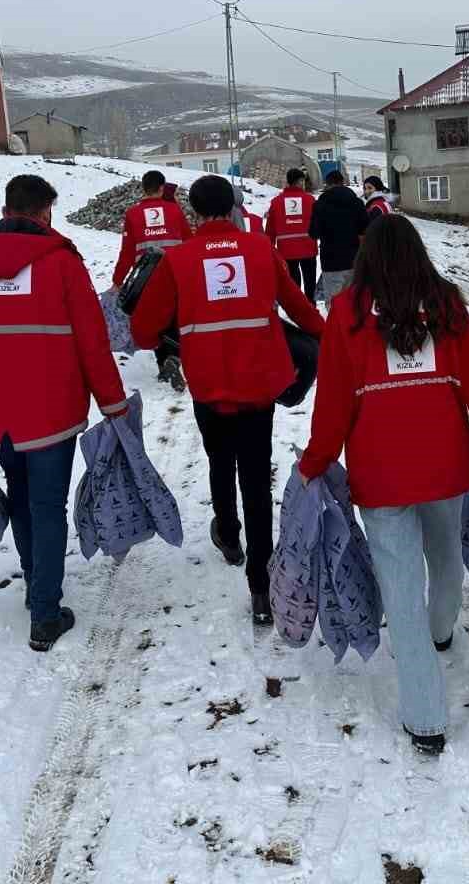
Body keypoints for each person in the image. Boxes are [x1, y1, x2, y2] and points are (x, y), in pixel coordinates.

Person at [298, 214, 469, 755]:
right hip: (445, 465)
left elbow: (332, 407)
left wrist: (315, 463)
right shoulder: (447, 305)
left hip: (381, 475)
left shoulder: (347, 314)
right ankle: (442, 628)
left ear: (365, 257)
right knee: (446, 552)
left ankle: (425, 716)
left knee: (399, 588)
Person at [0, 174, 129, 653]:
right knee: (47, 504)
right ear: (45, 212)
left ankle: (38, 583)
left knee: (21, 497)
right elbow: (93, 342)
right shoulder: (61, 261)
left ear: (5, 209)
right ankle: (45, 611)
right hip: (52, 408)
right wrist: (113, 403)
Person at [130, 174, 325, 625]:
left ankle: (228, 535)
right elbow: (300, 309)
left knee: (219, 460)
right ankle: (261, 587)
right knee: (257, 480)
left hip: (210, 386)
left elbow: (142, 332)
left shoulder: (178, 261)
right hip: (258, 385)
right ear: (234, 207)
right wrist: (335, 342)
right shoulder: (260, 250)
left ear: (194, 211)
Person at [113, 170, 192, 389]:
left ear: (143, 188)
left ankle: (163, 362)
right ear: (161, 188)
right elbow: (188, 242)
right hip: (174, 275)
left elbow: (127, 252)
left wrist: (118, 280)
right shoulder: (174, 211)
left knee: (156, 321)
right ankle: (174, 356)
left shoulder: (133, 214)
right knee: (175, 317)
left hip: (146, 280)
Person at [308, 169, 366, 302]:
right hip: (354, 261)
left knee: (334, 304)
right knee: (354, 302)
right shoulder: (357, 203)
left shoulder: (320, 205)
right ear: (343, 182)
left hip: (331, 262)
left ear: (327, 185)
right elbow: (365, 232)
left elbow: (313, 233)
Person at [264, 168, 319, 300]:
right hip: (308, 248)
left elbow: (270, 228)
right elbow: (317, 223)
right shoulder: (310, 200)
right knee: (310, 282)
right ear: (300, 182)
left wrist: (269, 247)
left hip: (286, 250)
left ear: (288, 182)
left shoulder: (276, 202)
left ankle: (298, 309)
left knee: (294, 284)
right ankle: (311, 307)